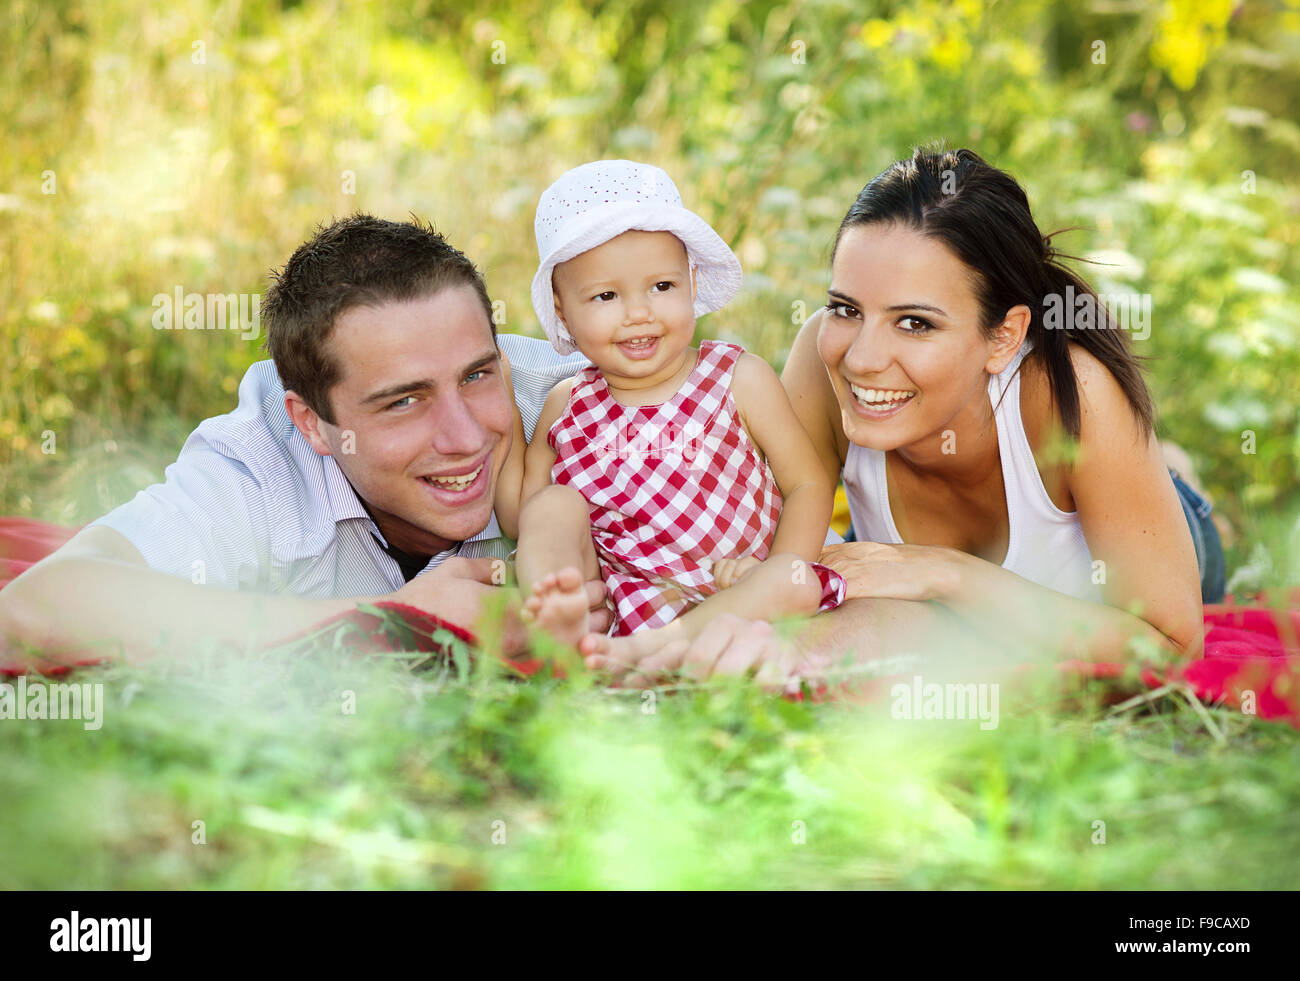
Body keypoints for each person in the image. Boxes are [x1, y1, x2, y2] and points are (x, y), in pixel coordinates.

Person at [591, 147, 1223, 687]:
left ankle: (1180, 481)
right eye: (846, 307)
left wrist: (941, 572)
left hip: (1157, 535)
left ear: (1004, 338)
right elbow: (748, 547)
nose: (862, 358)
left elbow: (1168, 647)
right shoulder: (823, 353)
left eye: (915, 323)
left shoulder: (1072, 399)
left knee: (1188, 510)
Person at [0, 215, 606, 667]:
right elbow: (33, 609)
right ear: (312, 422)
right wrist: (393, 621)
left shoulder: (582, 405)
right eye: (404, 400)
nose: (467, 435)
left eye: (477, 374)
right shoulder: (259, 460)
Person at [494, 160, 845, 667]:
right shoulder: (566, 405)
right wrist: (502, 404)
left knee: (795, 583)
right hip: (624, 612)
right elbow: (519, 517)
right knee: (552, 506)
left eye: (662, 286)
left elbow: (809, 483)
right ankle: (562, 625)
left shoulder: (737, 377)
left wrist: (777, 563)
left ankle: (651, 656)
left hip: (740, 604)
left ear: (692, 282)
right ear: (563, 309)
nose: (639, 312)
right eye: (606, 296)